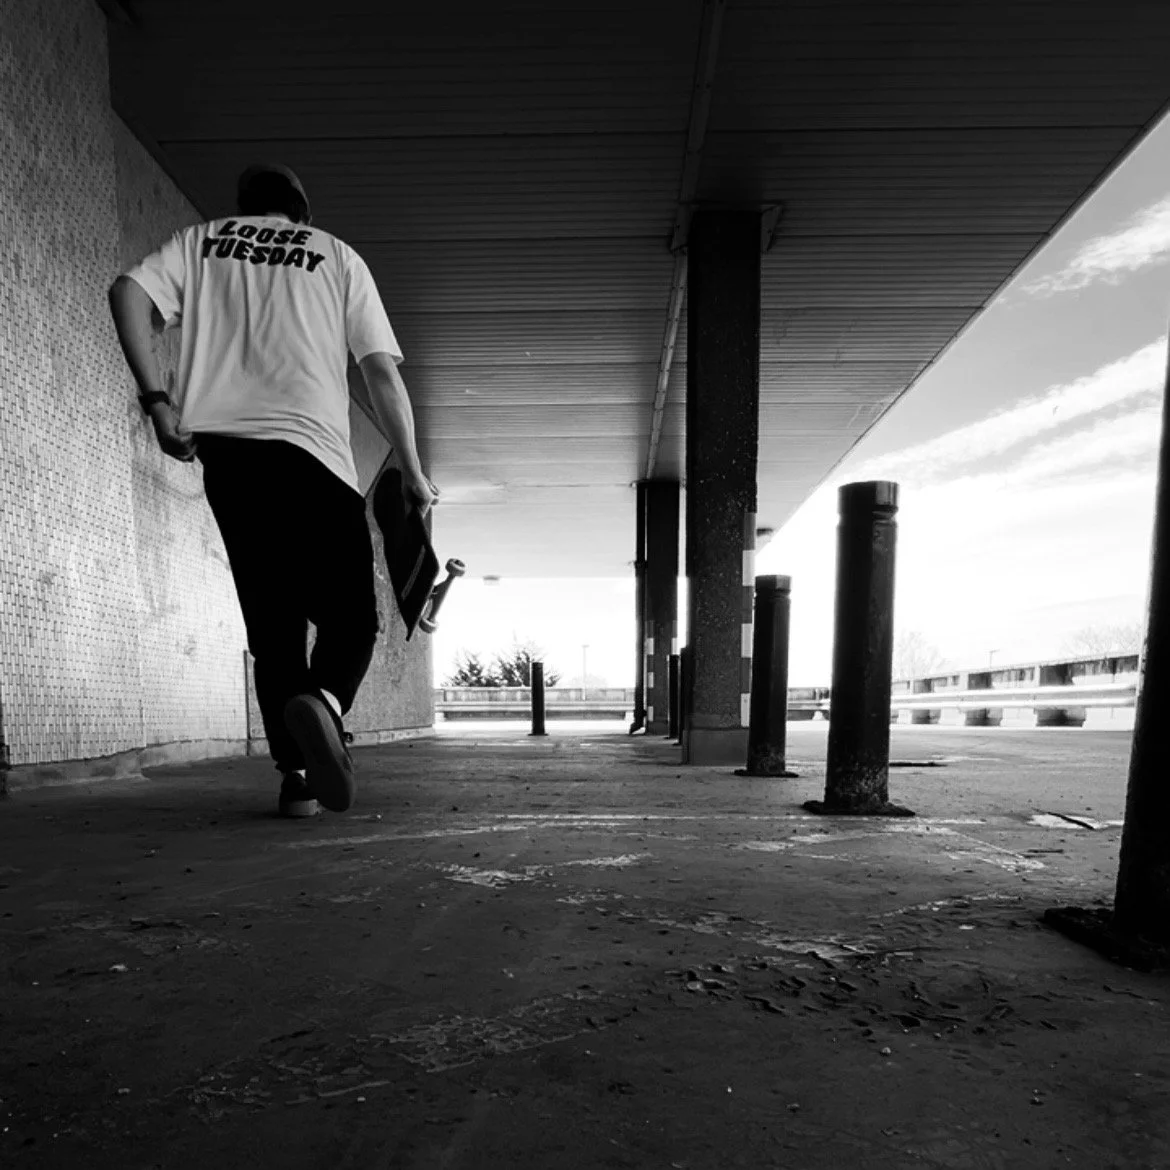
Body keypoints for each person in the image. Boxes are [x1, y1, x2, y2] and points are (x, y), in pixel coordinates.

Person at [108, 163, 437, 819]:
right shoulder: (336, 256)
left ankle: (297, 776)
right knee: (352, 621)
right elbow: (380, 374)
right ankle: (327, 704)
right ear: (301, 214)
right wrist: (412, 469)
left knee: (275, 626)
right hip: (314, 456)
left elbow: (126, 292)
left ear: (245, 209)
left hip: (229, 460)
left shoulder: (204, 243)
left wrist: (157, 401)